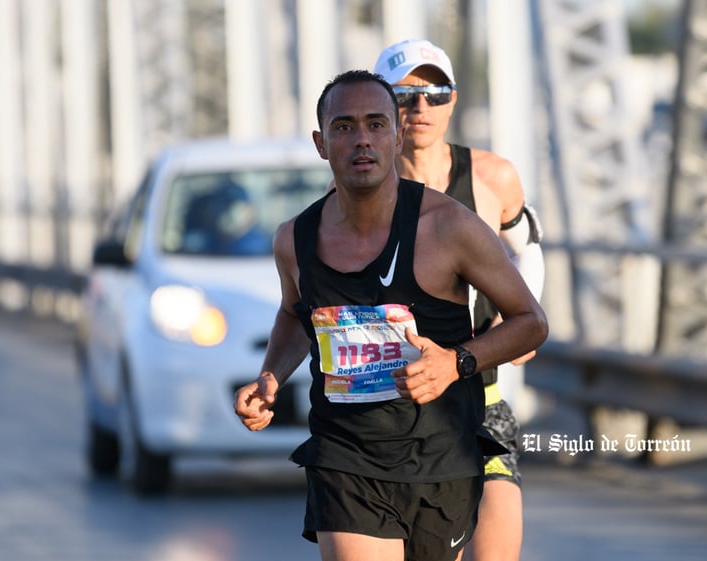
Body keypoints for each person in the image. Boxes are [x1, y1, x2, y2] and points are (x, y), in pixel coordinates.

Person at [234, 69, 548, 561]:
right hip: (346, 455)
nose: (362, 139)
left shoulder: (448, 227)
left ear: (397, 134)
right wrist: (270, 377)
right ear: (321, 143)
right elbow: (296, 314)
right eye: (344, 126)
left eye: (376, 124)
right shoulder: (293, 238)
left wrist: (456, 362)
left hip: (441, 455)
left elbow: (531, 321)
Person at [374, 39, 546, 561]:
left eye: (436, 92)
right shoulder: (364, 186)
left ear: (452, 100)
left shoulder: (493, 176)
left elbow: (528, 248)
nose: (421, 107)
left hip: (480, 401)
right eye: (405, 94)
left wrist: (521, 321)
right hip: (392, 411)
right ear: (382, 104)